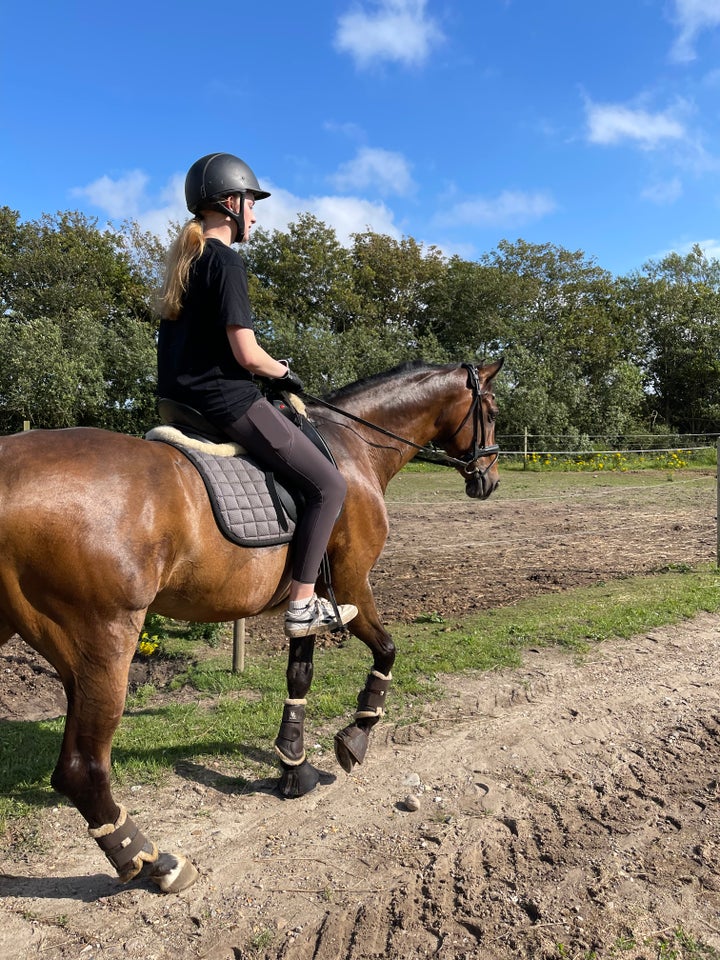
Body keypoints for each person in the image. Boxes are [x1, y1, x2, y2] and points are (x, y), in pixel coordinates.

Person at [156, 152, 358, 638]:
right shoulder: (225, 261)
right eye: (251, 203)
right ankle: (303, 605)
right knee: (329, 486)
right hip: (225, 402)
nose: (255, 213)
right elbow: (246, 354)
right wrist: (284, 373)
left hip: (178, 402)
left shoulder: (186, 262)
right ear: (230, 203)